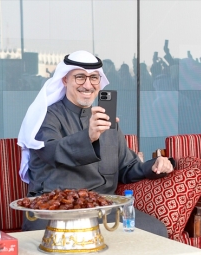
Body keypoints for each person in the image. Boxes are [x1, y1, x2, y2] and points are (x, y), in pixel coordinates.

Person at [17, 50, 174, 236]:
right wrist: (88, 136)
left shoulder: (105, 120)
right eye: (80, 77)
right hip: (54, 209)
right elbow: (51, 151)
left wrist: (155, 166)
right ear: (65, 80)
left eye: (94, 78)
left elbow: (127, 167)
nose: (87, 84)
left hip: (102, 208)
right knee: (72, 239)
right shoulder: (45, 116)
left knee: (156, 231)